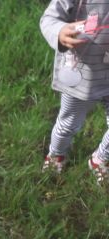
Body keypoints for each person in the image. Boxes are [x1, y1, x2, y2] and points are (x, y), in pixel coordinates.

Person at [40, 0, 109, 185]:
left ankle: (100, 158)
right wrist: (59, 32)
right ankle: (56, 155)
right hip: (81, 75)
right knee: (68, 123)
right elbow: (49, 18)